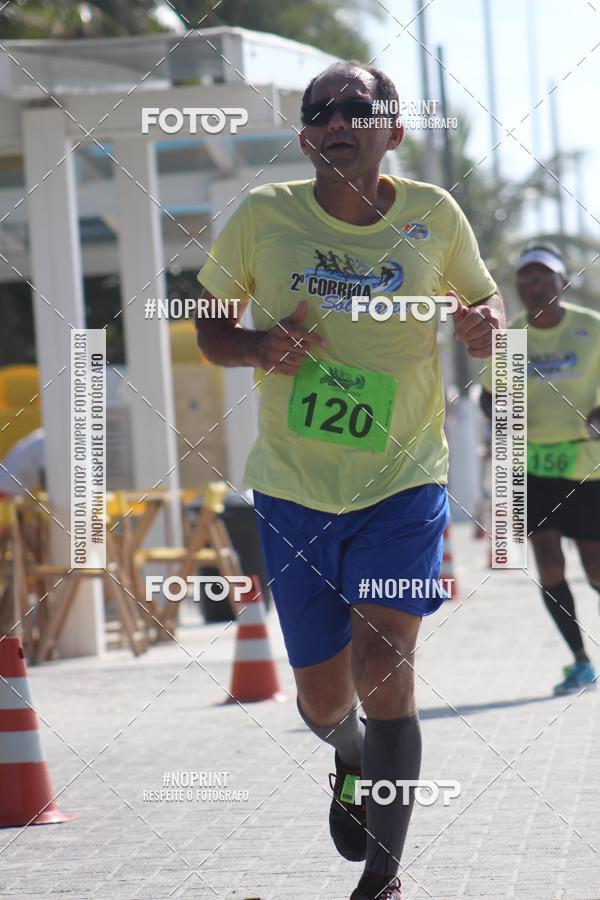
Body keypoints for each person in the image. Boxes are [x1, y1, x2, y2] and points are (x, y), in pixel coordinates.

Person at [196, 60, 504, 900]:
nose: (336, 120)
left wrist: (484, 327)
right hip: (294, 489)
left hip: (404, 484)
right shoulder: (263, 218)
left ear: (392, 131)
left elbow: (485, 307)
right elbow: (210, 328)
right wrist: (258, 347)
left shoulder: (434, 217)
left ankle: (384, 878)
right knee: (322, 697)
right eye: (319, 112)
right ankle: (350, 755)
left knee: (386, 657)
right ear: (303, 137)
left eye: (355, 109)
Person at [480, 244, 600, 695]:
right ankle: (581, 662)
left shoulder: (591, 329)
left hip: (587, 466)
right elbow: (490, 396)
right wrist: (502, 413)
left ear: (562, 283)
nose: (534, 289)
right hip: (531, 467)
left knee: (595, 568)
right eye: (526, 281)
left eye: (544, 280)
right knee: (549, 564)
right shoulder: (511, 338)